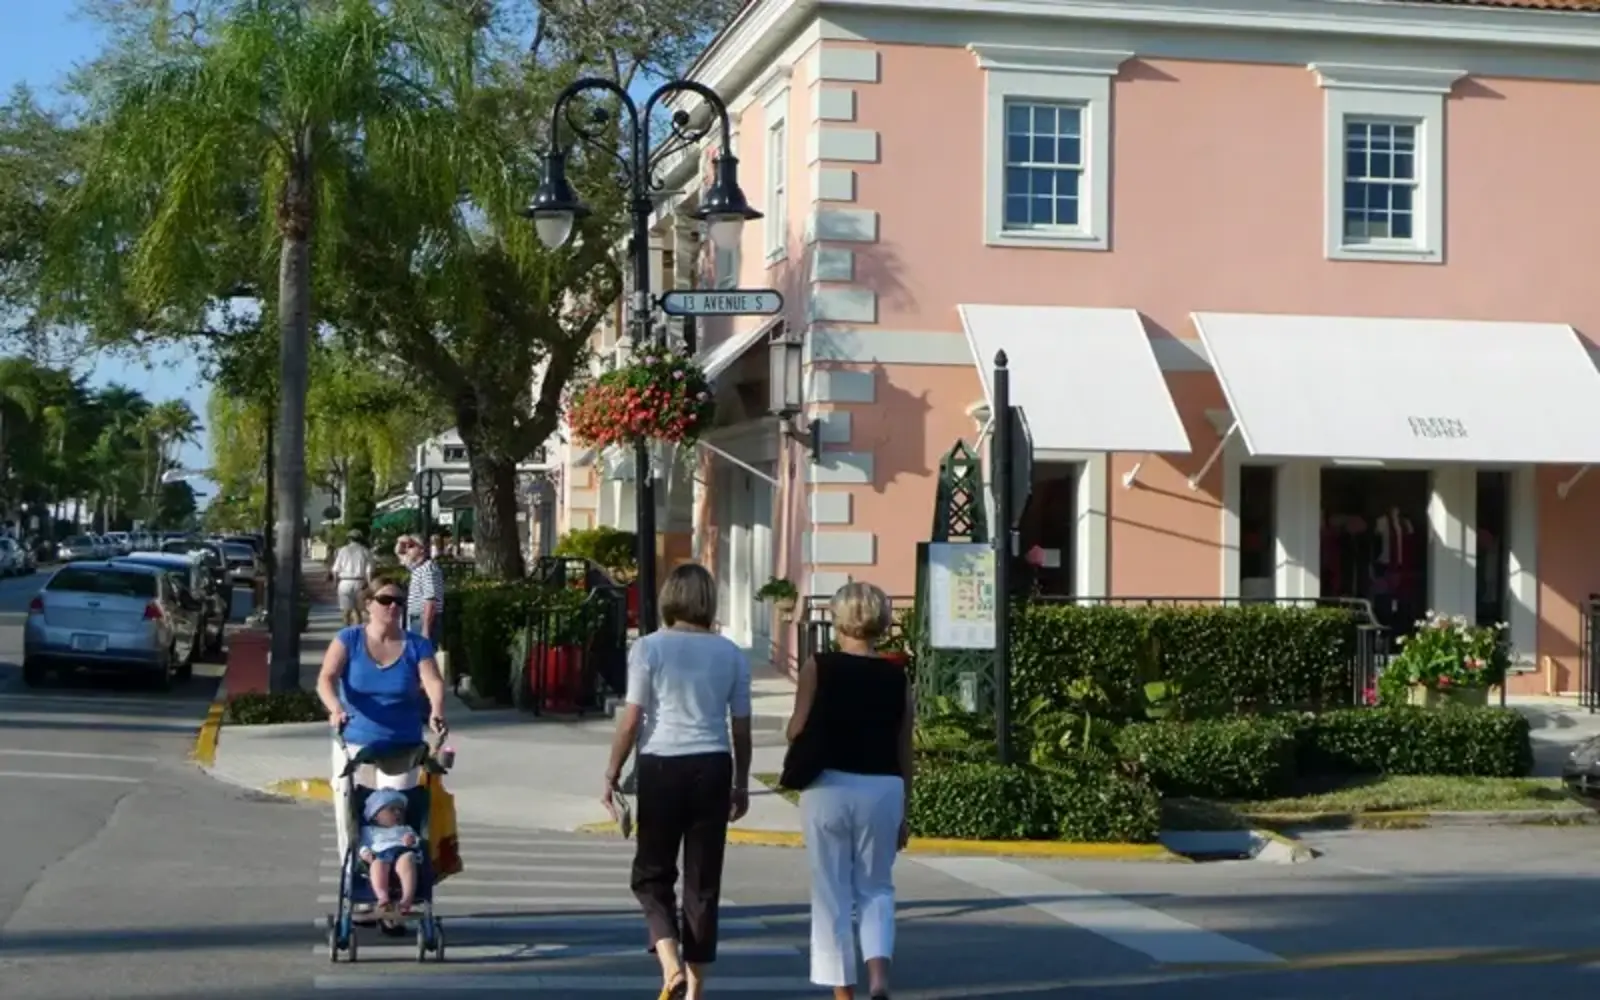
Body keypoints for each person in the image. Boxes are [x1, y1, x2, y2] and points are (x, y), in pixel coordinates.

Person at [602, 563, 753, 1000]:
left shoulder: (649, 648)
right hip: (713, 764)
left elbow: (632, 719)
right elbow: (740, 727)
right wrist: (741, 782)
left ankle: (671, 966)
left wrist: (613, 772)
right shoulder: (730, 653)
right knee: (703, 882)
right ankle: (695, 990)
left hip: (662, 764)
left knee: (651, 873)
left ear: (670, 597)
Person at [786, 582, 914, 1000]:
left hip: (828, 786)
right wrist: (904, 811)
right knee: (877, 887)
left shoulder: (818, 666)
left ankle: (844, 994)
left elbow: (796, 727)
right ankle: (879, 978)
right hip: (882, 787)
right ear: (880, 621)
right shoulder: (898, 676)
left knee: (831, 892)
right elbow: (903, 746)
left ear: (839, 620)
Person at [316, 573, 447, 868]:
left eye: (398, 601)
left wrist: (437, 709)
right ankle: (356, 878)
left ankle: (394, 885)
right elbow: (325, 678)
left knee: (396, 813)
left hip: (401, 745)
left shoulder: (416, 645)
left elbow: (432, 680)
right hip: (355, 744)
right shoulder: (348, 639)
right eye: (385, 600)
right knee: (351, 813)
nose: (393, 607)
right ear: (368, 604)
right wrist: (335, 707)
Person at [360, 788, 422, 917]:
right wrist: (365, 852)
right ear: (376, 815)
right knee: (377, 866)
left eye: (400, 810)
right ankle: (383, 898)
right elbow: (362, 845)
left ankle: (406, 899)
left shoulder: (405, 829)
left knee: (407, 860)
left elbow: (417, 840)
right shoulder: (369, 831)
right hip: (379, 854)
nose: (398, 813)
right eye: (392, 809)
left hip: (402, 851)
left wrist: (412, 841)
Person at [396, 534, 446, 644]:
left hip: (423, 619)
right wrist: (402, 541)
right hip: (416, 618)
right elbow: (399, 552)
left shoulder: (428, 569)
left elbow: (430, 601)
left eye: (411, 546)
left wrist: (426, 629)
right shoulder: (417, 568)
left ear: (422, 549)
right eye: (407, 547)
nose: (407, 550)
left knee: (423, 655)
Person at [328, 529, 375, 627]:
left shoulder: (342, 550)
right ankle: (357, 633)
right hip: (359, 582)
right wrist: (370, 585)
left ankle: (346, 632)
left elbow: (336, 569)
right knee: (358, 611)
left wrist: (335, 583)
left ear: (349, 539)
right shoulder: (365, 551)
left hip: (345, 582)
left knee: (346, 611)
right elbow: (369, 571)